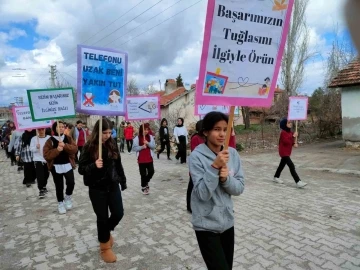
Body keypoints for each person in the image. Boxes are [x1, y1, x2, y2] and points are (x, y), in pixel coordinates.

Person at [189, 112, 245, 270]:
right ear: (205, 132)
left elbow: (239, 188)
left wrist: (226, 179)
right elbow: (202, 194)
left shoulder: (232, 154)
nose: (222, 134)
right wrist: (214, 167)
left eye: (225, 129)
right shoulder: (196, 157)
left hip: (227, 223)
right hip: (206, 225)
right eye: (216, 129)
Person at [78, 118, 127, 263]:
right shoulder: (89, 146)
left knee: (118, 213)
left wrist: (122, 181)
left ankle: (105, 232)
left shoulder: (112, 144)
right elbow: (81, 169)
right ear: (97, 132)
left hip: (112, 185)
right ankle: (104, 246)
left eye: (109, 132)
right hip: (96, 188)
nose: (107, 135)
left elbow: (118, 164)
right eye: (104, 133)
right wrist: (94, 165)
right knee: (102, 217)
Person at [43, 121, 78, 214]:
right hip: (56, 166)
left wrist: (65, 146)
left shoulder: (68, 138)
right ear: (55, 128)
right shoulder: (50, 140)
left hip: (68, 164)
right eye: (59, 127)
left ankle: (68, 197)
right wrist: (57, 150)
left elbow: (75, 149)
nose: (61, 128)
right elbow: (46, 155)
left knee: (71, 182)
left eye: (63, 127)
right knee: (59, 186)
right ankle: (60, 203)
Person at [273, 118, 307, 188]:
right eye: (288, 123)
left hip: (287, 152)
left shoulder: (290, 132)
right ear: (284, 125)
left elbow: (290, 142)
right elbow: (286, 141)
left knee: (281, 165)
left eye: (290, 122)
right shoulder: (283, 133)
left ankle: (276, 177)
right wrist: (293, 136)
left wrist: (294, 143)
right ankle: (298, 181)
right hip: (283, 152)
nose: (290, 124)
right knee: (291, 166)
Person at [187, 120, 205, 213]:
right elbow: (195, 152)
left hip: (205, 167)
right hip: (196, 166)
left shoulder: (206, 138)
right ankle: (189, 206)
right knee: (192, 186)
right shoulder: (195, 138)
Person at [132, 123, 155, 195]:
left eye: (147, 129)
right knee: (143, 174)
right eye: (144, 130)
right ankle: (144, 187)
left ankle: (146, 182)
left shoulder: (150, 137)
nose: (146, 131)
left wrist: (148, 143)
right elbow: (134, 148)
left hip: (149, 158)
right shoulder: (137, 138)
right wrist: (142, 147)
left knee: (151, 171)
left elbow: (153, 147)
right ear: (141, 130)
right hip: (141, 159)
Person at [30, 128, 51, 199]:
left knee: (46, 175)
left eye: (42, 130)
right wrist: (36, 147)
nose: (41, 131)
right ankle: (41, 189)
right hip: (37, 160)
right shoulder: (34, 139)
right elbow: (31, 149)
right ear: (37, 130)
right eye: (39, 130)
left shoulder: (49, 138)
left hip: (47, 160)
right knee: (40, 176)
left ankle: (44, 185)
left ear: (45, 130)